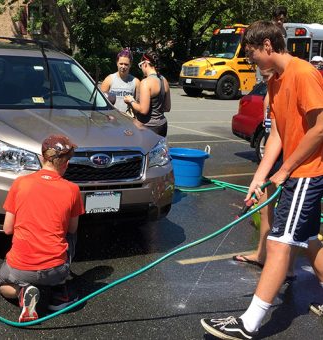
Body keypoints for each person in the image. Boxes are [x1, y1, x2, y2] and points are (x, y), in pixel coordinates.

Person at [201, 20, 323, 339]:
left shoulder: (303, 74)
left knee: (279, 241)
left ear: (267, 45)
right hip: (295, 171)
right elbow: (280, 133)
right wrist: (259, 177)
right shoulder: (275, 81)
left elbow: (320, 128)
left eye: (253, 53)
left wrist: (284, 170)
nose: (251, 61)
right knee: (308, 240)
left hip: (308, 173)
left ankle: (249, 323)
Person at [0, 134, 84, 322]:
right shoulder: (72, 189)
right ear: (66, 163)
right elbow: (72, 229)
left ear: (42, 157)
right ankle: (60, 287)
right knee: (71, 235)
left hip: (20, 268)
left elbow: (8, 229)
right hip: (55, 269)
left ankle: (22, 291)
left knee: (2, 285)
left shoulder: (20, 183)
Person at [232, 68, 296, 284]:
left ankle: (287, 267)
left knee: (297, 221)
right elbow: (272, 134)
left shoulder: (288, 86)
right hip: (275, 154)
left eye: (266, 74)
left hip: (291, 158)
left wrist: (285, 168)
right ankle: (261, 254)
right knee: (264, 201)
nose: (261, 76)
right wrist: (262, 172)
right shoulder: (271, 90)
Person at [123, 50, 171, 137]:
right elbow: (167, 107)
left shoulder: (146, 82)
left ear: (145, 64)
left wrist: (131, 101)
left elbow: (143, 110)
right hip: (162, 125)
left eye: (140, 66)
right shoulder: (164, 80)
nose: (141, 68)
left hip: (148, 127)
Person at [100, 48, 140, 113]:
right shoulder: (109, 79)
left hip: (128, 119)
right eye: (121, 63)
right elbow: (100, 102)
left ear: (130, 65)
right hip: (111, 118)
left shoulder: (136, 82)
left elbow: (139, 106)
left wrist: (132, 102)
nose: (123, 66)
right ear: (117, 63)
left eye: (126, 64)